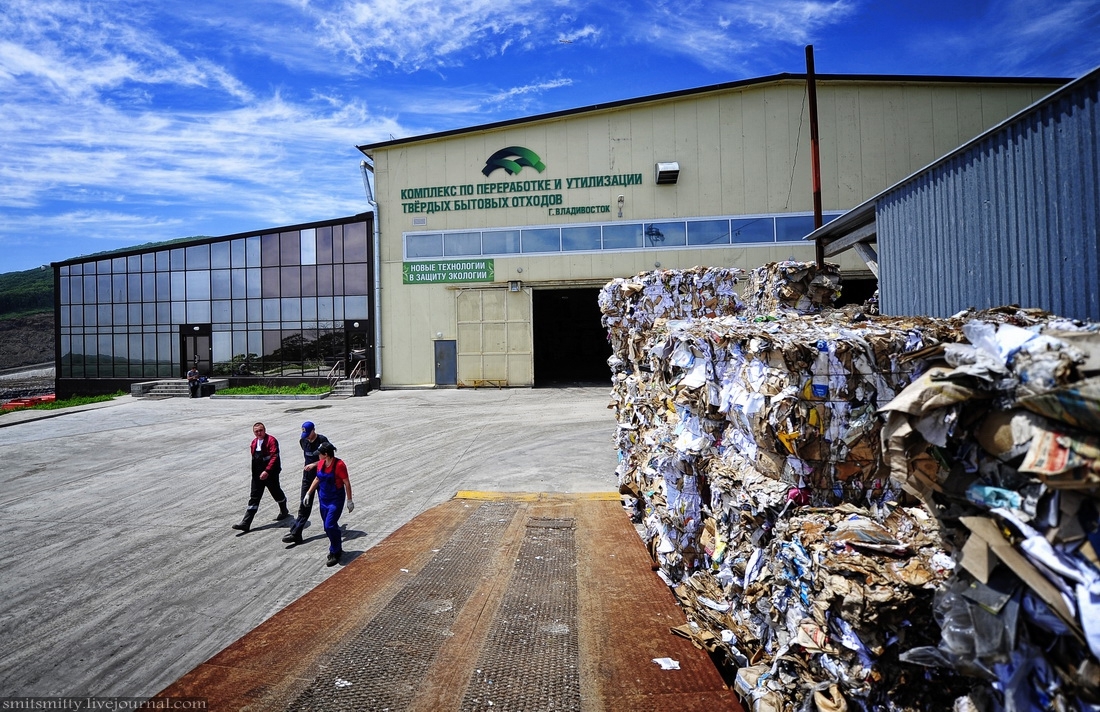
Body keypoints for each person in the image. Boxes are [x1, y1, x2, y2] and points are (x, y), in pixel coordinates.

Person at [231, 422, 290, 533]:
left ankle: (284, 510)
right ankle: (246, 523)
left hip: (270, 474)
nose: (259, 433)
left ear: (264, 430)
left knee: (276, 492)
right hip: (257, 475)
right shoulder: (254, 442)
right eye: (256, 431)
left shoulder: (271, 440)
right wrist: (256, 474)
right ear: (254, 432)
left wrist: (267, 471)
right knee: (254, 497)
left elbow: (274, 457)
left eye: (260, 430)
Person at [304, 442, 353, 566]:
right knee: (327, 527)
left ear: (326, 455)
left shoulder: (340, 465)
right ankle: (336, 547)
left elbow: (346, 482)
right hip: (323, 499)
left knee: (330, 525)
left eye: (319, 454)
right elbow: (318, 479)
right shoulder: (320, 463)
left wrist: (349, 500)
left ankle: (335, 551)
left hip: (336, 499)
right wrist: (309, 493)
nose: (317, 456)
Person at [281, 421, 330, 545]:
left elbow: (329, 460)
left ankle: (330, 527)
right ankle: (297, 533)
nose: (307, 437)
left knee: (325, 504)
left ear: (314, 430)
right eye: (305, 435)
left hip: (322, 476)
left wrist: (314, 464)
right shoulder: (303, 441)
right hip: (308, 477)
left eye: (309, 434)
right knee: (305, 503)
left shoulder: (323, 440)